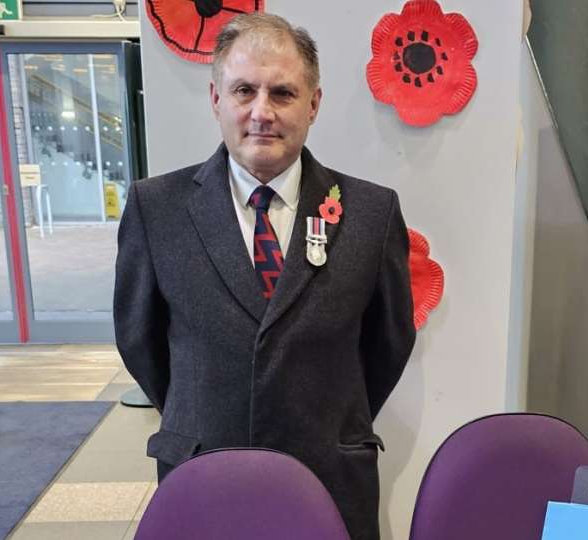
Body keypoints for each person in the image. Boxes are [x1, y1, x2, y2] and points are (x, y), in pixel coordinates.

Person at [113, 12, 416, 540]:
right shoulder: (154, 209)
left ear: (313, 104)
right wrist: (199, 408)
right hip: (202, 472)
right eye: (244, 91)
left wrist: (331, 416)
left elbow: (387, 345)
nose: (262, 113)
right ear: (215, 99)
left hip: (330, 479)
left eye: (283, 93)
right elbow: (141, 343)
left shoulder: (372, 212)